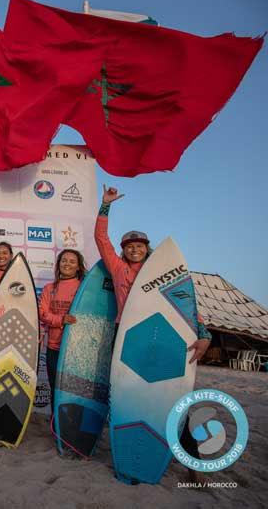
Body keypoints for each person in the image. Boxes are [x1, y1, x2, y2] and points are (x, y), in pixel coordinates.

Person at [97, 185, 211, 481]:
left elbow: (186, 310)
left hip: (162, 340)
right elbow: (101, 239)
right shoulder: (119, 270)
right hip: (128, 338)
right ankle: (131, 454)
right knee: (125, 397)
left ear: (148, 248)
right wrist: (106, 206)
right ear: (123, 250)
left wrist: (205, 335)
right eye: (129, 246)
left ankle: (193, 464)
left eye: (140, 245)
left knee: (171, 396)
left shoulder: (165, 276)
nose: (135, 249)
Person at [38, 249, 86, 412]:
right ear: (58, 264)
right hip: (54, 347)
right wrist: (61, 320)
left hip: (76, 348)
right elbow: (43, 314)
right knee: (55, 387)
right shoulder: (49, 288)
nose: (67, 264)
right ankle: (56, 424)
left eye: (72, 261)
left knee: (74, 390)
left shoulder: (84, 288)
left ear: (78, 267)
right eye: (64, 260)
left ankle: (71, 426)